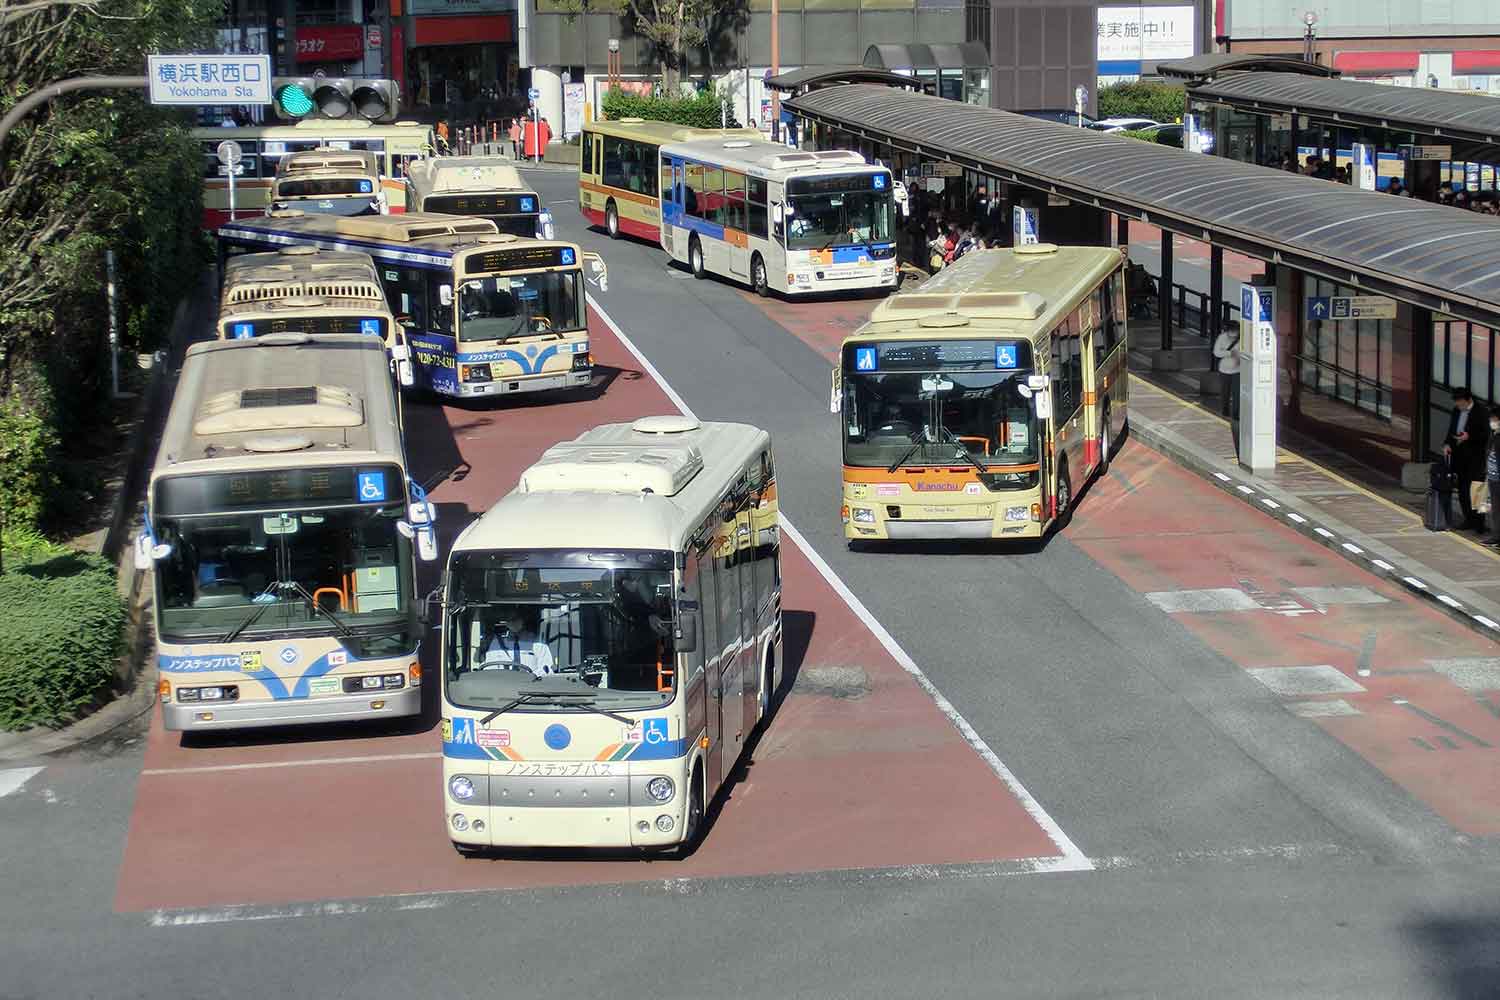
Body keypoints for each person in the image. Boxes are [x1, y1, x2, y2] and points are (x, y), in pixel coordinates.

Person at [1445, 388, 1490, 530]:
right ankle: (1468, 519)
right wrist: (1447, 443)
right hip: (1460, 457)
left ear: (1468, 399)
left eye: (1460, 402)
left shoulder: (1481, 411)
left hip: (1476, 458)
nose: (1458, 404)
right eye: (1456, 402)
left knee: (1477, 491)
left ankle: (1480, 523)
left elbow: (1486, 435)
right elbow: (1451, 429)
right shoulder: (1457, 410)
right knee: (1463, 491)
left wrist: (1469, 436)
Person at [480, 610, 555, 676]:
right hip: (502, 685)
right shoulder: (496, 643)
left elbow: (546, 669)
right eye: (508, 619)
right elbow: (489, 668)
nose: (512, 622)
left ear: (522, 620)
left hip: (530, 686)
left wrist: (530, 677)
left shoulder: (537, 642)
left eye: (515, 619)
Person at [1212, 324, 1241, 419]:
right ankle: (1225, 410)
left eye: (1236, 332)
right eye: (1231, 332)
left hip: (1237, 370)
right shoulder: (1222, 338)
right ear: (1227, 331)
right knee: (1225, 392)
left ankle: (1236, 413)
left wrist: (1239, 356)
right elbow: (1216, 352)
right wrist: (1230, 353)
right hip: (1224, 370)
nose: (1233, 335)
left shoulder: (1243, 338)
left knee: (1237, 393)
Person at [1486, 408, 1500, 545]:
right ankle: (1496, 536)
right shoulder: (1494, 434)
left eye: (1494, 419)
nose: (1491, 422)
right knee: (1495, 509)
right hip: (1492, 477)